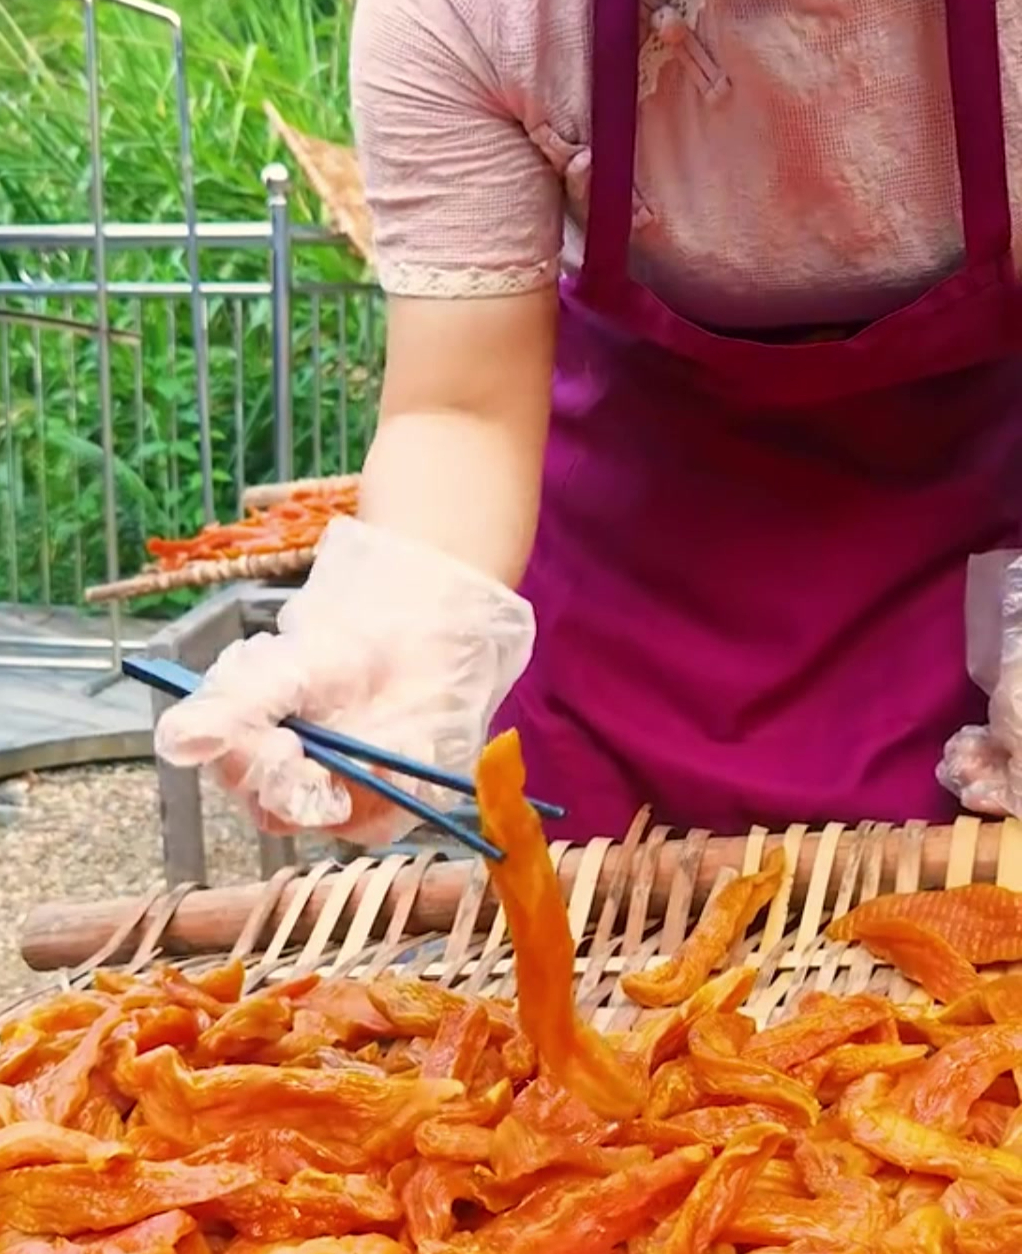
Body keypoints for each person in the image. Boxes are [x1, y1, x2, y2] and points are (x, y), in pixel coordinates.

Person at [156, 0, 1022, 846]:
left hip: (969, 571)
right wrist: (389, 641)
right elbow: (461, 411)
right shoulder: (473, 16)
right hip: (627, 601)